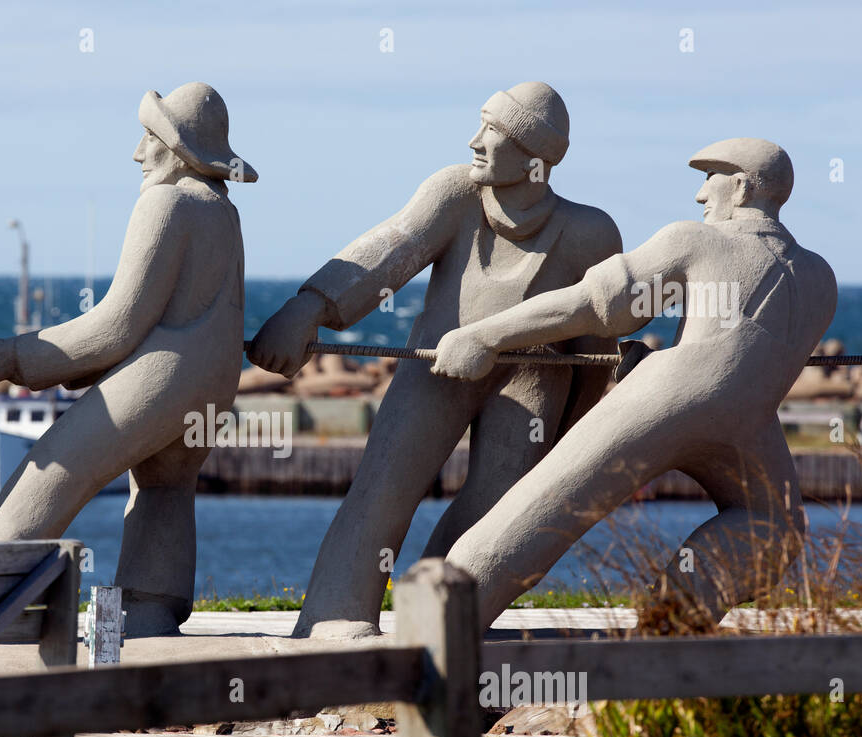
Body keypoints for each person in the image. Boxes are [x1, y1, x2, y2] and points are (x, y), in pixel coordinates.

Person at [247, 82, 622, 638]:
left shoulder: (590, 232)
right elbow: (390, 250)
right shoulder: (455, 194)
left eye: (493, 131)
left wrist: (589, 412)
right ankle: (335, 612)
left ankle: (443, 615)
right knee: (388, 483)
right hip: (435, 364)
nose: (476, 141)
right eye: (481, 124)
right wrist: (310, 308)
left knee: (503, 507)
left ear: (534, 155)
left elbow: (598, 339)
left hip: (534, 379)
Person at [433, 138, 837, 631]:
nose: (700, 195)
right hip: (750, 424)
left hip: (665, 396)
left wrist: (483, 335)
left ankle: (439, 631)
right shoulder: (822, 277)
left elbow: (594, 304)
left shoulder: (695, 240)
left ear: (743, 185)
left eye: (709, 178)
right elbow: (741, 351)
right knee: (777, 530)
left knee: (541, 510)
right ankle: (669, 630)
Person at [0, 83, 255, 636]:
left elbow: (116, 324)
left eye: (150, 137)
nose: (138, 152)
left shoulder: (166, 203)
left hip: (165, 378)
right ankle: (148, 611)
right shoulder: (222, 211)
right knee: (164, 488)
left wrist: (9, 356)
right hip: (212, 382)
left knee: (51, 473)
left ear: (177, 150)